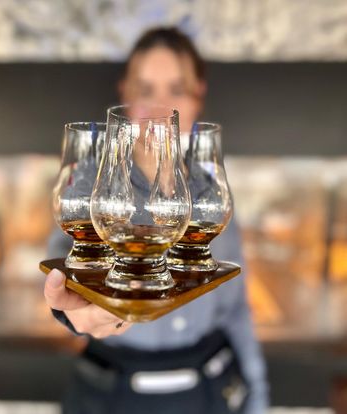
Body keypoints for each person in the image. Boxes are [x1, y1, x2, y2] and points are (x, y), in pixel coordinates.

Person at [44, 27, 268, 414]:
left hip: (210, 391)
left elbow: (235, 309)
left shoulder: (213, 189)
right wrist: (72, 311)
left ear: (198, 94)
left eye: (175, 90)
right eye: (145, 91)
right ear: (124, 94)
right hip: (112, 391)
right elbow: (63, 273)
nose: (161, 106)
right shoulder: (92, 178)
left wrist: (257, 399)